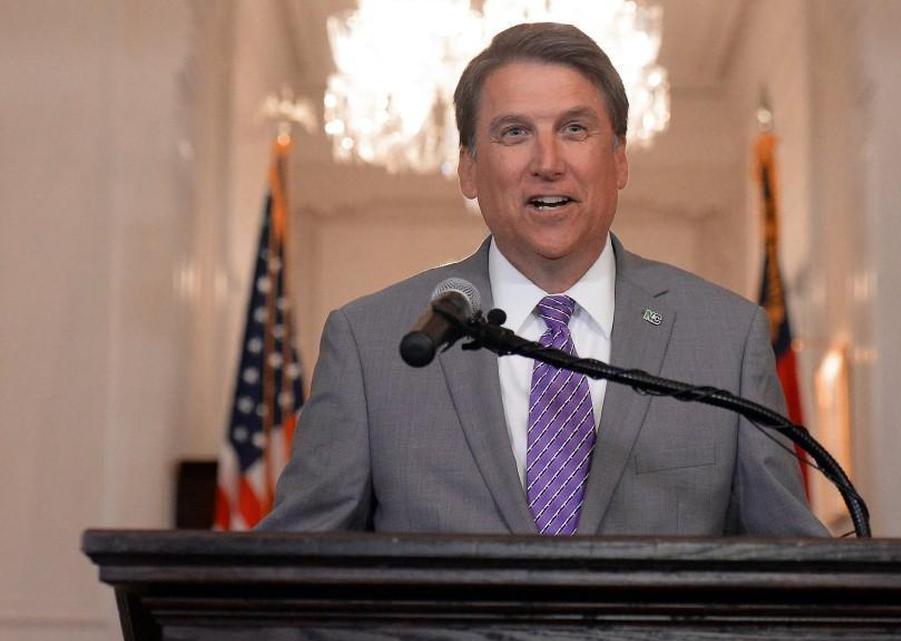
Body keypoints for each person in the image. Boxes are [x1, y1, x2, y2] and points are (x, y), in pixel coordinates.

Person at [258, 22, 826, 537]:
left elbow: (791, 568)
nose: (547, 161)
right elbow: (293, 576)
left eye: (575, 129)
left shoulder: (725, 338)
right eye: (514, 133)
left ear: (620, 160)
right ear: (469, 168)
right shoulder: (371, 343)